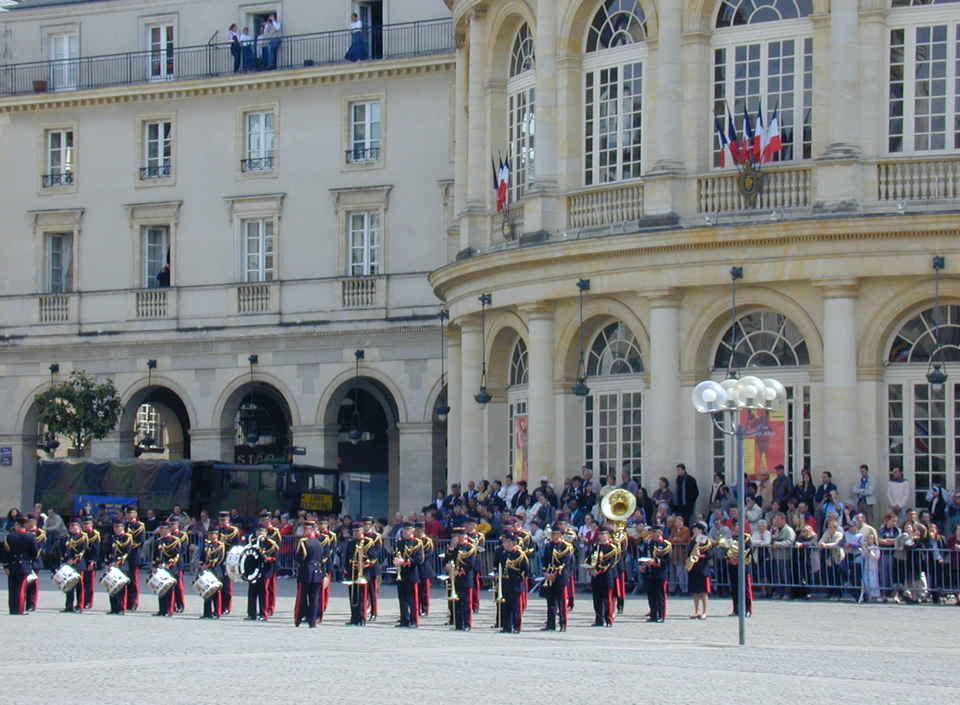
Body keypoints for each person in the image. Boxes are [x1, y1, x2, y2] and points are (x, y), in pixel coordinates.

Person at [539, 524, 574, 631]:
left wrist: (553, 574)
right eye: (552, 534)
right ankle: (550, 624)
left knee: (562, 601)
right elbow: (545, 561)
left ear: (561, 535)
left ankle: (563, 623)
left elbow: (565, 563)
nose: (553, 536)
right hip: (549, 577)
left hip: (560, 576)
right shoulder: (548, 546)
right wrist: (545, 573)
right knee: (550, 601)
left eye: (556, 534)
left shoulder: (566, 546)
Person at [446, 527, 480, 631]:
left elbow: (471, 564)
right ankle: (458, 623)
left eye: (457, 537)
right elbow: (447, 560)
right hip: (454, 579)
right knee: (456, 603)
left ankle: (467, 623)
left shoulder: (469, 548)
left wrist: (460, 571)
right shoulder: (453, 548)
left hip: (465, 578)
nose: (455, 539)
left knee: (466, 603)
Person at [293, 521, 326, 628]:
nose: (303, 532)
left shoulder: (304, 542)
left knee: (302, 596)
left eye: (305, 529)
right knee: (314, 598)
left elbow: (300, 557)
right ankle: (312, 621)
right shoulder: (319, 543)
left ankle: (299, 618)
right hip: (317, 572)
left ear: (311, 530)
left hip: (306, 572)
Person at [495, 531, 529, 634]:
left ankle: (516, 626)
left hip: (515, 582)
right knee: (506, 606)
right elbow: (500, 567)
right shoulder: (503, 554)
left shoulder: (519, 554)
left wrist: (519, 579)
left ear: (511, 543)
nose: (503, 544)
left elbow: (526, 569)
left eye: (505, 542)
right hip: (505, 582)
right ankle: (507, 626)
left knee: (515, 607)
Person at [3, 516, 38, 615]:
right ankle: (19, 609)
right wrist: (29, 560)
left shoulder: (10, 536)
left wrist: (5, 566)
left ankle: (13, 609)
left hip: (12, 565)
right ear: (25, 525)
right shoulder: (30, 537)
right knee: (21, 589)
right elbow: (35, 552)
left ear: (17, 525)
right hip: (24, 565)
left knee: (12, 588)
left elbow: (6, 553)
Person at [393, 522, 424, 628]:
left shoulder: (417, 543)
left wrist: (404, 562)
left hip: (411, 573)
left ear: (412, 531)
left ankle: (414, 620)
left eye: (407, 530)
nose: (404, 532)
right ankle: (404, 619)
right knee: (403, 598)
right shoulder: (400, 543)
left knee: (413, 598)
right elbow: (397, 554)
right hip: (401, 573)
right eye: (403, 530)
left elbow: (419, 560)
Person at [588, 526, 620, 627]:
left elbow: (610, 562)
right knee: (597, 599)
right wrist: (590, 568)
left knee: (606, 599)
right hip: (596, 576)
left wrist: (597, 570)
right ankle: (599, 619)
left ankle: (608, 619)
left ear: (609, 535)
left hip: (606, 575)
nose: (600, 536)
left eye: (603, 534)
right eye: (600, 534)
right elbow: (589, 559)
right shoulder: (596, 546)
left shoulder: (612, 548)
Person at [246, 526, 277, 621]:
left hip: (265, 570)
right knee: (252, 592)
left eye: (262, 532)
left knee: (263, 592)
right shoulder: (252, 542)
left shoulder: (270, 544)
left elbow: (274, 557)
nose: (260, 533)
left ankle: (264, 613)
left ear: (266, 533)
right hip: (254, 570)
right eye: (258, 531)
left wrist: (265, 558)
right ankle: (252, 613)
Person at [345, 523, 371, 626]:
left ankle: (361, 617)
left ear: (362, 531)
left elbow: (372, 557)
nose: (355, 533)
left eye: (357, 531)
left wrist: (364, 564)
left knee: (361, 596)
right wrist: (346, 569)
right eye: (354, 531)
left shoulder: (368, 542)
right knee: (352, 596)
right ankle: (354, 617)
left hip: (363, 572)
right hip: (352, 572)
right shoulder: (351, 542)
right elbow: (348, 557)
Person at [726, 522, 754, 617]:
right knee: (734, 589)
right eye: (732, 526)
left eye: (735, 526)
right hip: (732, 566)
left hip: (744, 566)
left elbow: (750, 550)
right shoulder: (730, 538)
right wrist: (730, 559)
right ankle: (736, 609)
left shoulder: (746, 537)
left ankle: (747, 609)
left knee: (746, 589)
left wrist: (739, 559)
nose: (733, 528)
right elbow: (726, 551)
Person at [59, 518, 87, 613]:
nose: (71, 527)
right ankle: (69, 605)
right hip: (68, 564)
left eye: (73, 525)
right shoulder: (66, 537)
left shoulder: (82, 537)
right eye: (70, 525)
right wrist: (64, 561)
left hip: (78, 564)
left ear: (78, 526)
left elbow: (82, 551)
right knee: (69, 585)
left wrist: (74, 560)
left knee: (80, 586)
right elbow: (63, 551)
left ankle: (80, 605)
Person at [687, 521, 713, 619]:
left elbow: (709, 555)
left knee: (703, 591)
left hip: (702, 568)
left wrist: (700, 556)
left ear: (701, 530)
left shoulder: (706, 541)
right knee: (695, 591)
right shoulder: (693, 541)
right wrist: (688, 559)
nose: (694, 531)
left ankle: (705, 611)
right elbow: (689, 553)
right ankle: (696, 610)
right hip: (694, 568)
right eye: (693, 529)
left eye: (696, 529)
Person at [198, 527, 225, 619]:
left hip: (215, 570)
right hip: (207, 570)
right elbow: (202, 556)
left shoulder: (220, 545)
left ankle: (217, 612)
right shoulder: (207, 544)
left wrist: (208, 565)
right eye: (209, 534)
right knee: (207, 591)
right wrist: (201, 564)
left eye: (212, 534)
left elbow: (218, 558)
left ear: (216, 535)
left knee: (216, 593)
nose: (210, 536)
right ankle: (207, 612)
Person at [153, 522, 179, 616]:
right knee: (161, 589)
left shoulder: (174, 540)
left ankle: (169, 610)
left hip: (170, 568)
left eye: (163, 529)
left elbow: (176, 555)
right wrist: (154, 566)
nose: (160, 531)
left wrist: (168, 564)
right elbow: (155, 555)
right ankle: (162, 609)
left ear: (168, 529)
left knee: (169, 590)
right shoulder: (159, 541)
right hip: (160, 568)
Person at [107, 520, 132, 615]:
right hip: (112, 565)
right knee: (111, 586)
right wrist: (108, 563)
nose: (116, 529)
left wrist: (118, 562)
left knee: (121, 588)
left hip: (122, 565)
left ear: (122, 527)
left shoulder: (127, 537)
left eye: (118, 527)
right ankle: (113, 607)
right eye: (115, 527)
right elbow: (109, 552)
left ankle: (121, 608)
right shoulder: (113, 537)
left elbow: (127, 553)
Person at [361, 515, 383, 621]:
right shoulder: (361, 535)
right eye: (364, 524)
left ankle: (374, 611)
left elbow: (376, 550)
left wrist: (370, 559)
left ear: (372, 525)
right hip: (361, 566)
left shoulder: (376, 536)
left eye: (368, 524)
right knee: (362, 590)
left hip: (372, 565)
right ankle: (362, 610)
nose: (366, 526)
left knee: (372, 590)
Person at [414, 522, 436, 617]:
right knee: (416, 591)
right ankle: (417, 608)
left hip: (424, 568)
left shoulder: (427, 541)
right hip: (415, 568)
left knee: (424, 591)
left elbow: (427, 554)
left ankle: (425, 609)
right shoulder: (414, 541)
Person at [80, 517, 100, 610]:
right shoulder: (81, 534)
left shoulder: (94, 535)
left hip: (89, 561)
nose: (85, 526)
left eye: (87, 524)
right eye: (83, 524)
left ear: (91, 524)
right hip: (82, 561)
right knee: (82, 583)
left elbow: (96, 550)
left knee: (89, 583)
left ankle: (88, 601)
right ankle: (81, 601)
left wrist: (92, 562)